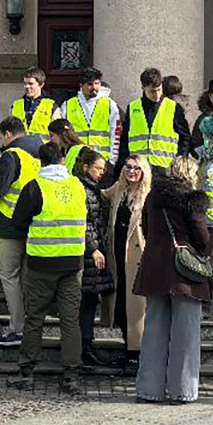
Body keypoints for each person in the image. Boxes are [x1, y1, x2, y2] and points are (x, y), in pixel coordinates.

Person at [9, 141, 89, 394]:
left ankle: (27, 372)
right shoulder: (77, 185)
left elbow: (18, 221)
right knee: (70, 320)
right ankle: (71, 375)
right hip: (73, 262)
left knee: (35, 317)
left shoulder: (35, 186)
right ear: (62, 160)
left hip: (42, 262)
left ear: (40, 162)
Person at [135, 155, 212, 404]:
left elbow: (146, 228)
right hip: (183, 272)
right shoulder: (192, 200)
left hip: (155, 266)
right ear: (191, 174)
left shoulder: (153, 196)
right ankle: (182, 390)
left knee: (154, 330)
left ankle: (149, 389)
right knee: (185, 333)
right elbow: (202, 238)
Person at [0, 115, 43, 348]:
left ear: (7, 134)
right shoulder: (39, 153)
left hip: (10, 224)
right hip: (35, 225)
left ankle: (18, 329)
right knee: (28, 278)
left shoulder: (12, 155)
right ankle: (32, 328)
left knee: (10, 277)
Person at [103, 154, 153, 376]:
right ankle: (128, 348)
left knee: (137, 308)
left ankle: (137, 354)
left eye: (136, 168)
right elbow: (99, 194)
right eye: (128, 167)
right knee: (121, 305)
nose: (131, 171)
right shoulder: (118, 190)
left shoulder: (148, 195)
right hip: (118, 255)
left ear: (144, 172)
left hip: (138, 257)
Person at [73, 148, 120, 370]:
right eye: (98, 168)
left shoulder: (92, 188)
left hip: (94, 250)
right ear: (85, 167)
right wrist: (93, 248)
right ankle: (84, 347)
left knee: (90, 300)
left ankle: (86, 345)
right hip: (88, 253)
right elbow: (84, 223)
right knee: (87, 301)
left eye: (103, 169)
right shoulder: (83, 190)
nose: (102, 172)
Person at [125, 67, 188, 171]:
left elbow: (185, 138)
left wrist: (179, 160)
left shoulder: (173, 107)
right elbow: (125, 139)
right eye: (152, 91)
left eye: (159, 90)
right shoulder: (133, 107)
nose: (157, 95)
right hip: (138, 168)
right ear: (143, 88)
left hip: (165, 168)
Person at [60, 67, 120, 163]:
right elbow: (62, 135)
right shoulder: (68, 105)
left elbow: (115, 134)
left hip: (102, 160)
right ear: (81, 85)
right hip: (75, 159)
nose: (94, 87)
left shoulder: (110, 105)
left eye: (97, 83)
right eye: (90, 84)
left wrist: (112, 160)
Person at [11, 68, 58, 135]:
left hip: (42, 142)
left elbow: (57, 133)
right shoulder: (16, 105)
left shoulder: (51, 106)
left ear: (41, 85)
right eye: (25, 83)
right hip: (21, 142)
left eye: (31, 84)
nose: (27, 87)